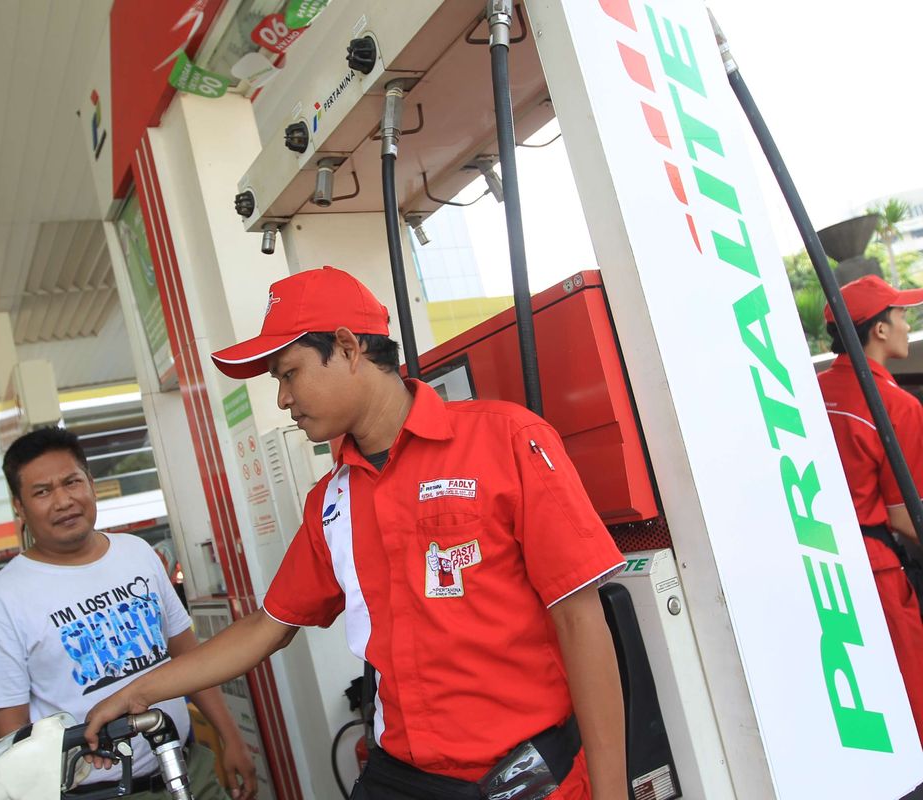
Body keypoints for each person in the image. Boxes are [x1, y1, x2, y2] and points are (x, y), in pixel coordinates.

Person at [84, 266, 628, 799]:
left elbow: (581, 622)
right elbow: (266, 627)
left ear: (347, 347)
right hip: (401, 776)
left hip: (524, 777)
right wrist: (139, 692)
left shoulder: (506, 439)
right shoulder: (331, 501)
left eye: (288, 373)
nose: (281, 399)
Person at [0, 427, 256, 800]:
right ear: (20, 507)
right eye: (42, 491)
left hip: (188, 770)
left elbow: (188, 656)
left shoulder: (136, 554)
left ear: (90, 483)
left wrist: (230, 735)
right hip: (99, 793)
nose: (63, 501)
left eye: (72, 482)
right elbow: (10, 734)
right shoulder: (1, 599)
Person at [816, 274, 923, 744]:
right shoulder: (897, 406)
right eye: (901, 314)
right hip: (877, 572)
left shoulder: (808, 391)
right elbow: (906, 517)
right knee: (911, 703)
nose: (906, 322)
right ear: (878, 330)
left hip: (820, 566)